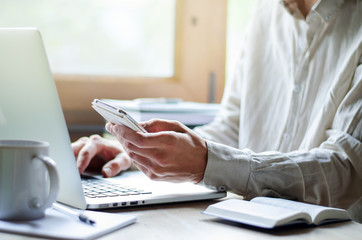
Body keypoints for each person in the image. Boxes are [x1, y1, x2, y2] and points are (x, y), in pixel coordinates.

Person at [72, 0, 362, 221]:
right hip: (249, 222)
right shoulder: (266, 11)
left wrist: (208, 162)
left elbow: (347, 168)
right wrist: (134, 153)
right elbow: (233, 129)